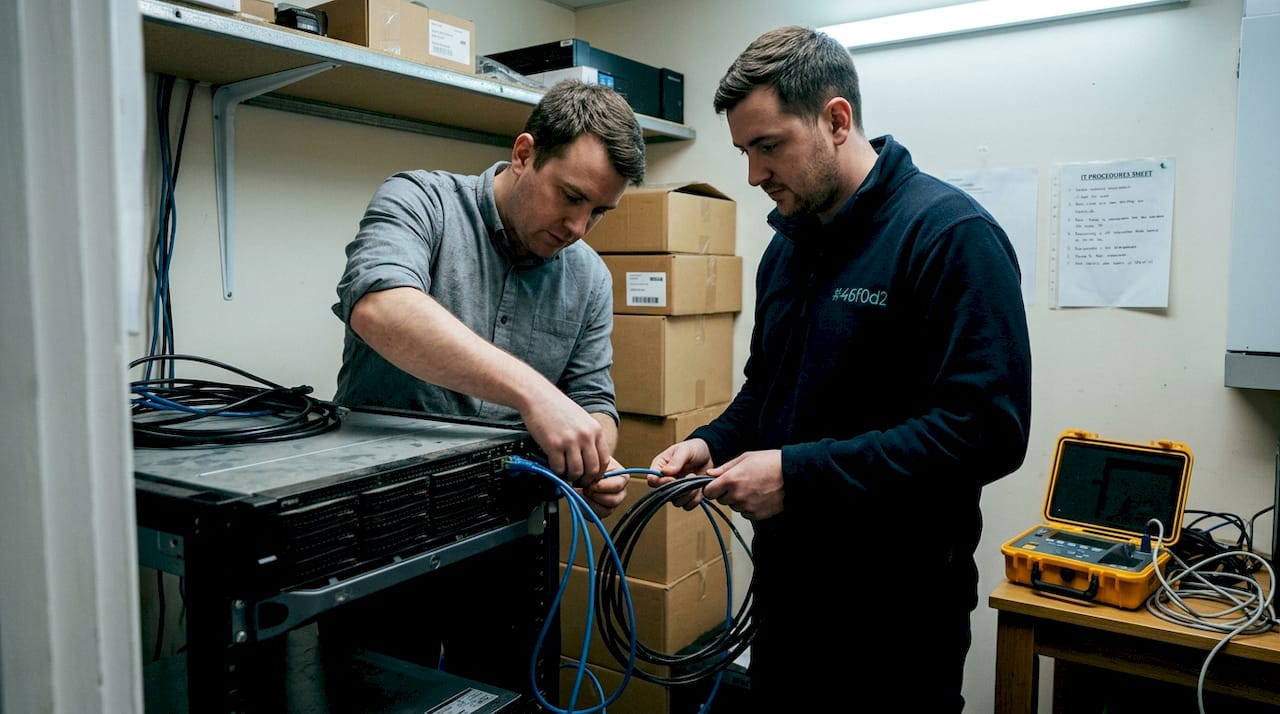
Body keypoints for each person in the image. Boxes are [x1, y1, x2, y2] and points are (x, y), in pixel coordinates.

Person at [648, 26, 1032, 712]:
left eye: (769, 146)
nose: (754, 174)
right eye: (744, 151)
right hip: (790, 607)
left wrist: (798, 476)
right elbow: (769, 391)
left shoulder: (948, 236)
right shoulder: (787, 251)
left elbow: (986, 431)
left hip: (897, 624)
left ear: (836, 120)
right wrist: (712, 441)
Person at [323, 80, 647, 695]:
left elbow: (594, 399)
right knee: (379, 692)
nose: (580, 226)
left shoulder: (589, 278)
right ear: (524, 153)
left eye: (600, 211)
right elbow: (380, 306)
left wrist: (592, 450)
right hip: (380, 530)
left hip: (505, 531)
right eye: (571, 197)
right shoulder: (421, 200)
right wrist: (534, 393)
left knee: (503, 694)